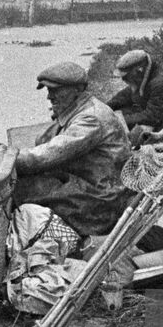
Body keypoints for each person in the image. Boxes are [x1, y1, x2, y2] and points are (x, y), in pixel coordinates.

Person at [12, 60, 132, 238]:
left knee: (21, 189)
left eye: (55, 90)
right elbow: (44, 142)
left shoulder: (91, 118)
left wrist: (7, 158)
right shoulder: (77, 110)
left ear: (76, 90)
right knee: (28, 183)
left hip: (101, 201)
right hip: (90, 186)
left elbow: (43, 157)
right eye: (48, 90)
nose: (49, 97)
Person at [106, 49, 163, 139]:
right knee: (120, 112)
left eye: (126, 76)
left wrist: (120, 120)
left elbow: (152, 117)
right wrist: (106, 107)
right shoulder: (144, 78)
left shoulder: (162, 83)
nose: (124, 80)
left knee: (128, 130)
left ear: (139, 71)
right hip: (161, 118)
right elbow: (127, 94)